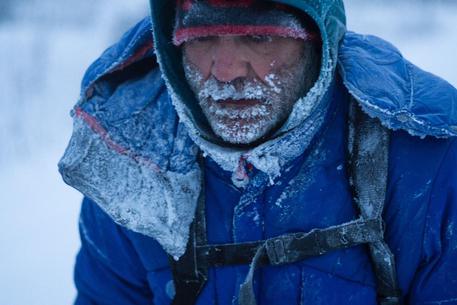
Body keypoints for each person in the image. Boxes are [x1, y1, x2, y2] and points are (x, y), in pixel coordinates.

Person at [59, 0, 457, 304]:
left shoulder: (425, 166)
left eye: (259, 37)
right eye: (201, 39)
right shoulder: (135, 162)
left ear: (317, 43)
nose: (226, 70)